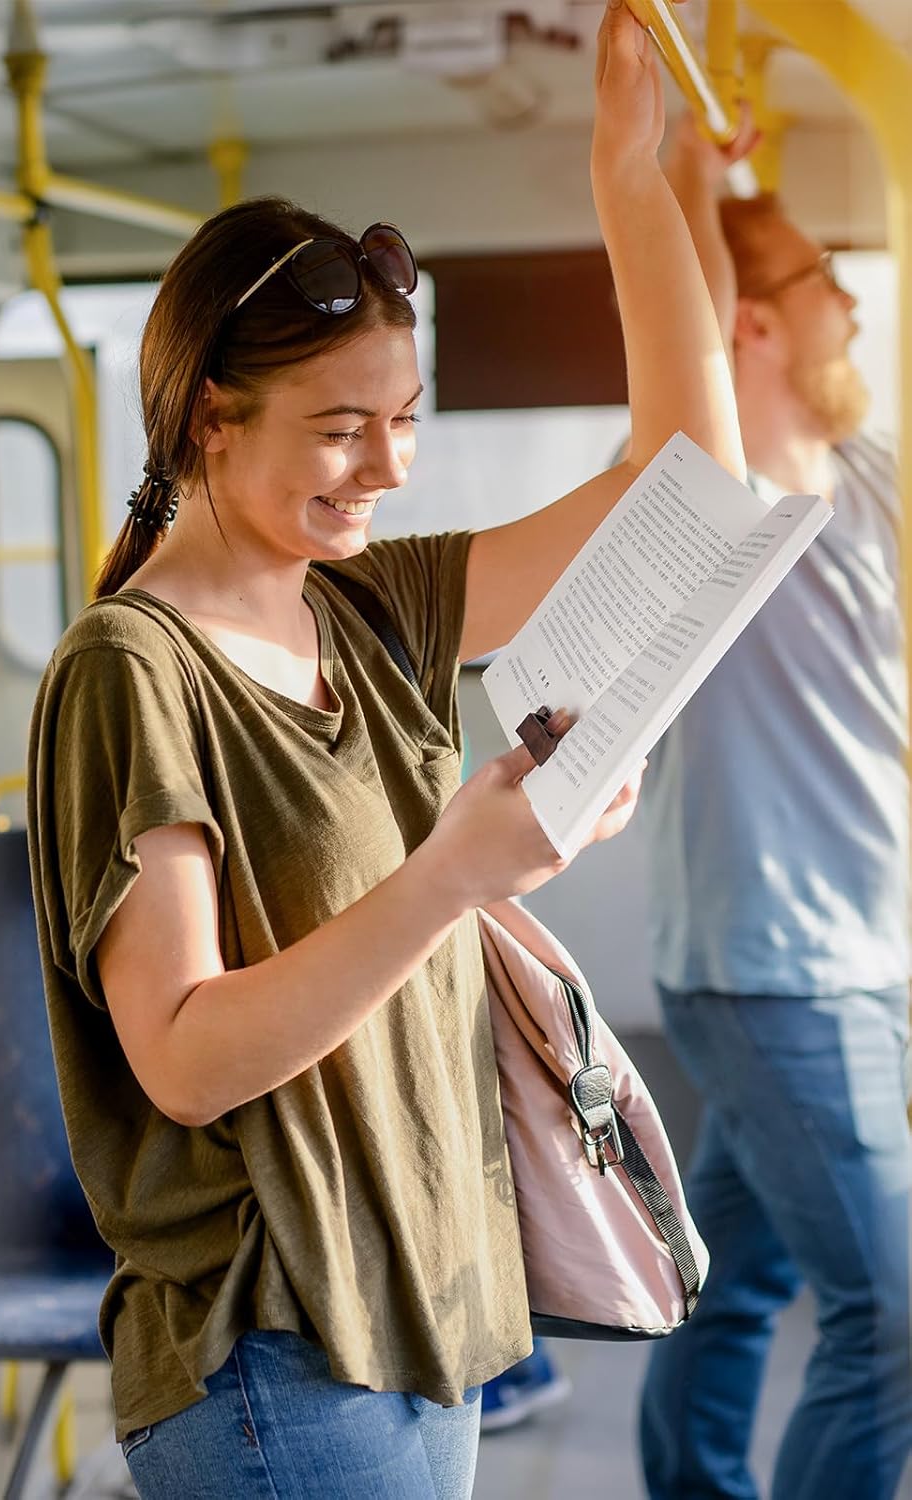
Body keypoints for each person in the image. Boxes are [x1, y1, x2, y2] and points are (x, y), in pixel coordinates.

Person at [26, 4, 745, 1494]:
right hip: (274, 1353)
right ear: (212, 422)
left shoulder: (374, 607)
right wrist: (450, 874)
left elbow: (689, 490)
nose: (391, 465)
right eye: (343, 425)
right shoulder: (127, 673)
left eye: (406, 418)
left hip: (432, 1312)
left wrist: (630, 175)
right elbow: (185, 1058)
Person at [637, 119, 912, 1500]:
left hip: (859, 959)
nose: (854, 301)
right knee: (896, 1319)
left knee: (731, 1288)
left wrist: (738, 176)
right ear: (749, 323)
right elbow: (682, 313)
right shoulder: (720, 496)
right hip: (777, 976)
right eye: (822, 280)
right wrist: (684, 175)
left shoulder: (864, 479)